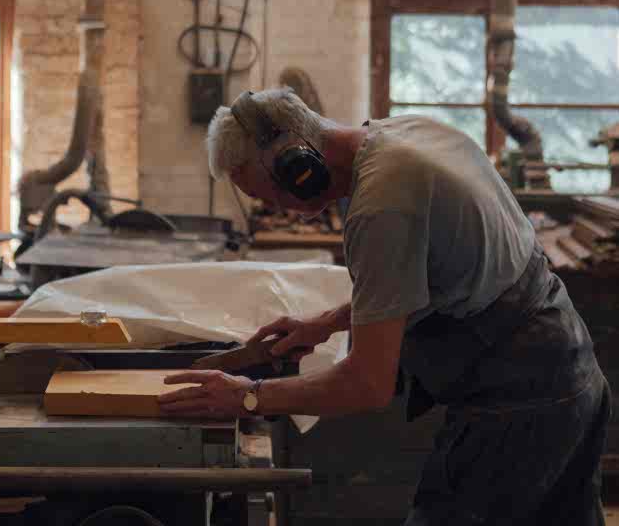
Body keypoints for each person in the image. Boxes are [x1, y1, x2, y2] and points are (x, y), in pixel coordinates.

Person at [158, 87, 611, 525]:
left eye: (267, 193)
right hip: (570, 370)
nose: (282, 209)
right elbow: (439, 271)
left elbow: (367, 383)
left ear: (297, 163)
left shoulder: (381, 205)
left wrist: (249, 397)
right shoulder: (405, 134)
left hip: (523, 403)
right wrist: (330, 321)